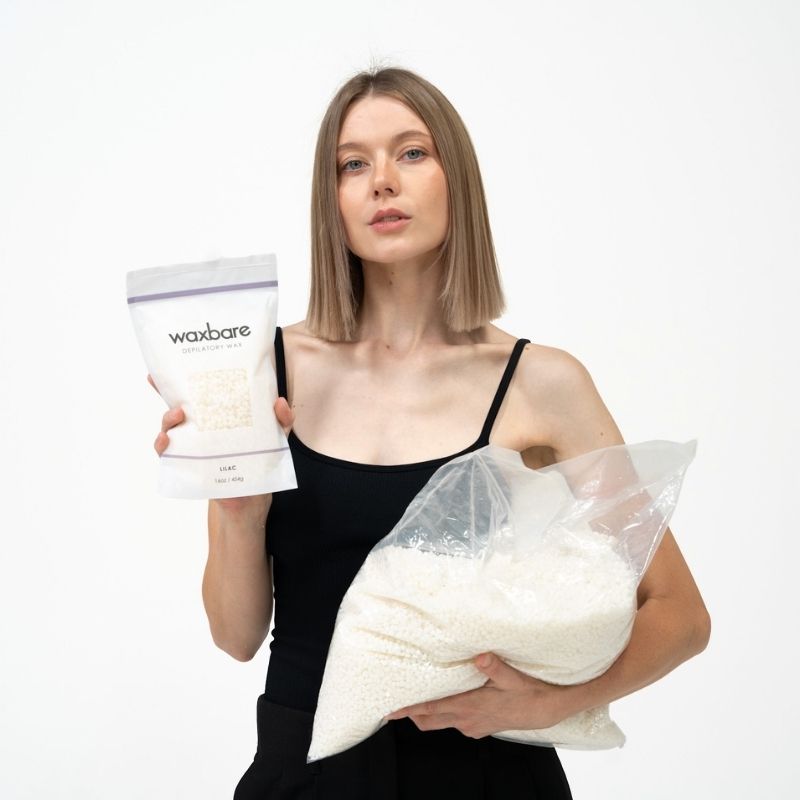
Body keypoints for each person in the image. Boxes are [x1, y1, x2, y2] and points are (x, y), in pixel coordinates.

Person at [151, 66, 711, 799]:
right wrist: (237, 508)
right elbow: (236, 636)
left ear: (457, 180)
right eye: (353, 164)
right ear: (332, 200)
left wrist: (551, 704)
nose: (382, 181)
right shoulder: (264, 370)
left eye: (411, 153)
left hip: (486, 777)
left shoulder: (541, 383)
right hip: (306, 769)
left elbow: (680, 615)